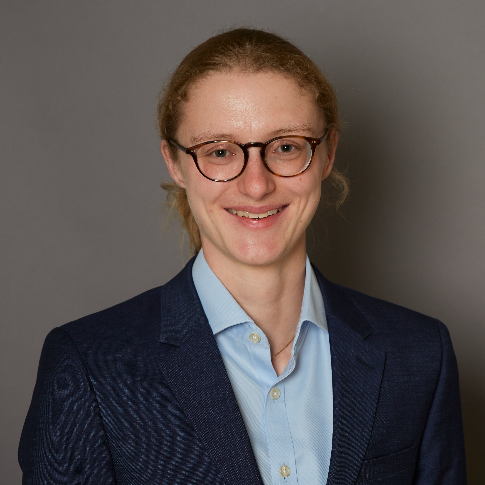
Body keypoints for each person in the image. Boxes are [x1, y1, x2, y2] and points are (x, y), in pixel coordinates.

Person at [19, 28, 466, 485]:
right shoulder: (89, 366)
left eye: (286, 147)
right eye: (219, 151)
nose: (256, 186)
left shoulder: (419, 354)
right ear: (174, 163)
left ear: (327, 153)